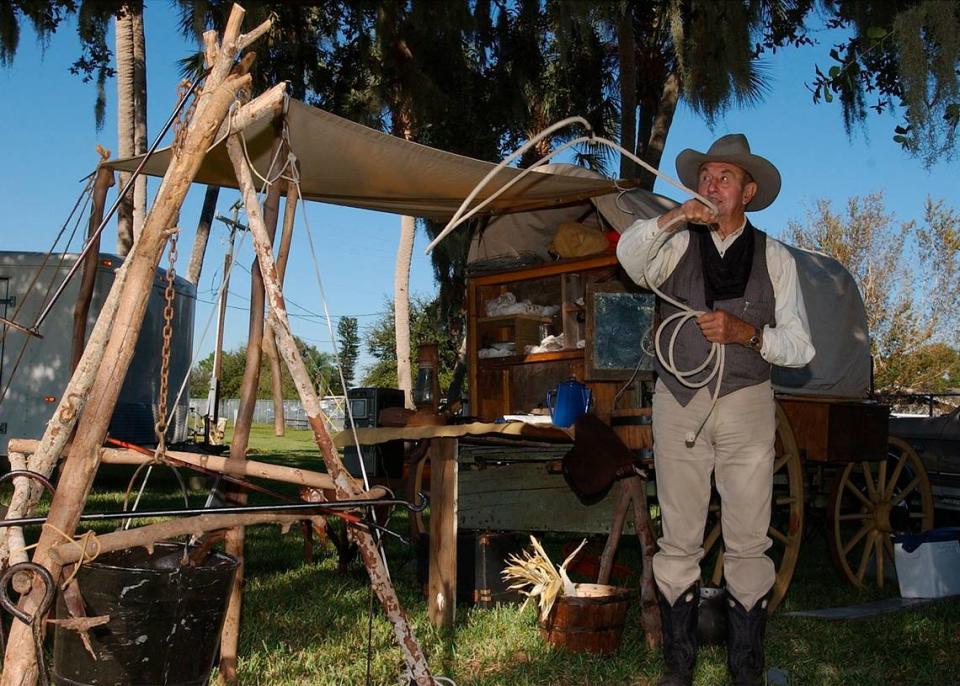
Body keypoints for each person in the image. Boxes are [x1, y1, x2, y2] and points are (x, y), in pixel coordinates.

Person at [616, 134, 815, 686]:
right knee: (678, 538)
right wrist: (674, 216)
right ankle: (678, 671)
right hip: (679, 402)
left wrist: (748, 334)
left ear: (748, 192)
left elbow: (801, 346)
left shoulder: (776, 257)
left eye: (724, 177)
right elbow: (628, 260)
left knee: (749, 540)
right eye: (705, 175)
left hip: (748, 404)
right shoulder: (678, 241)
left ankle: (745, 671)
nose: (711, 184)